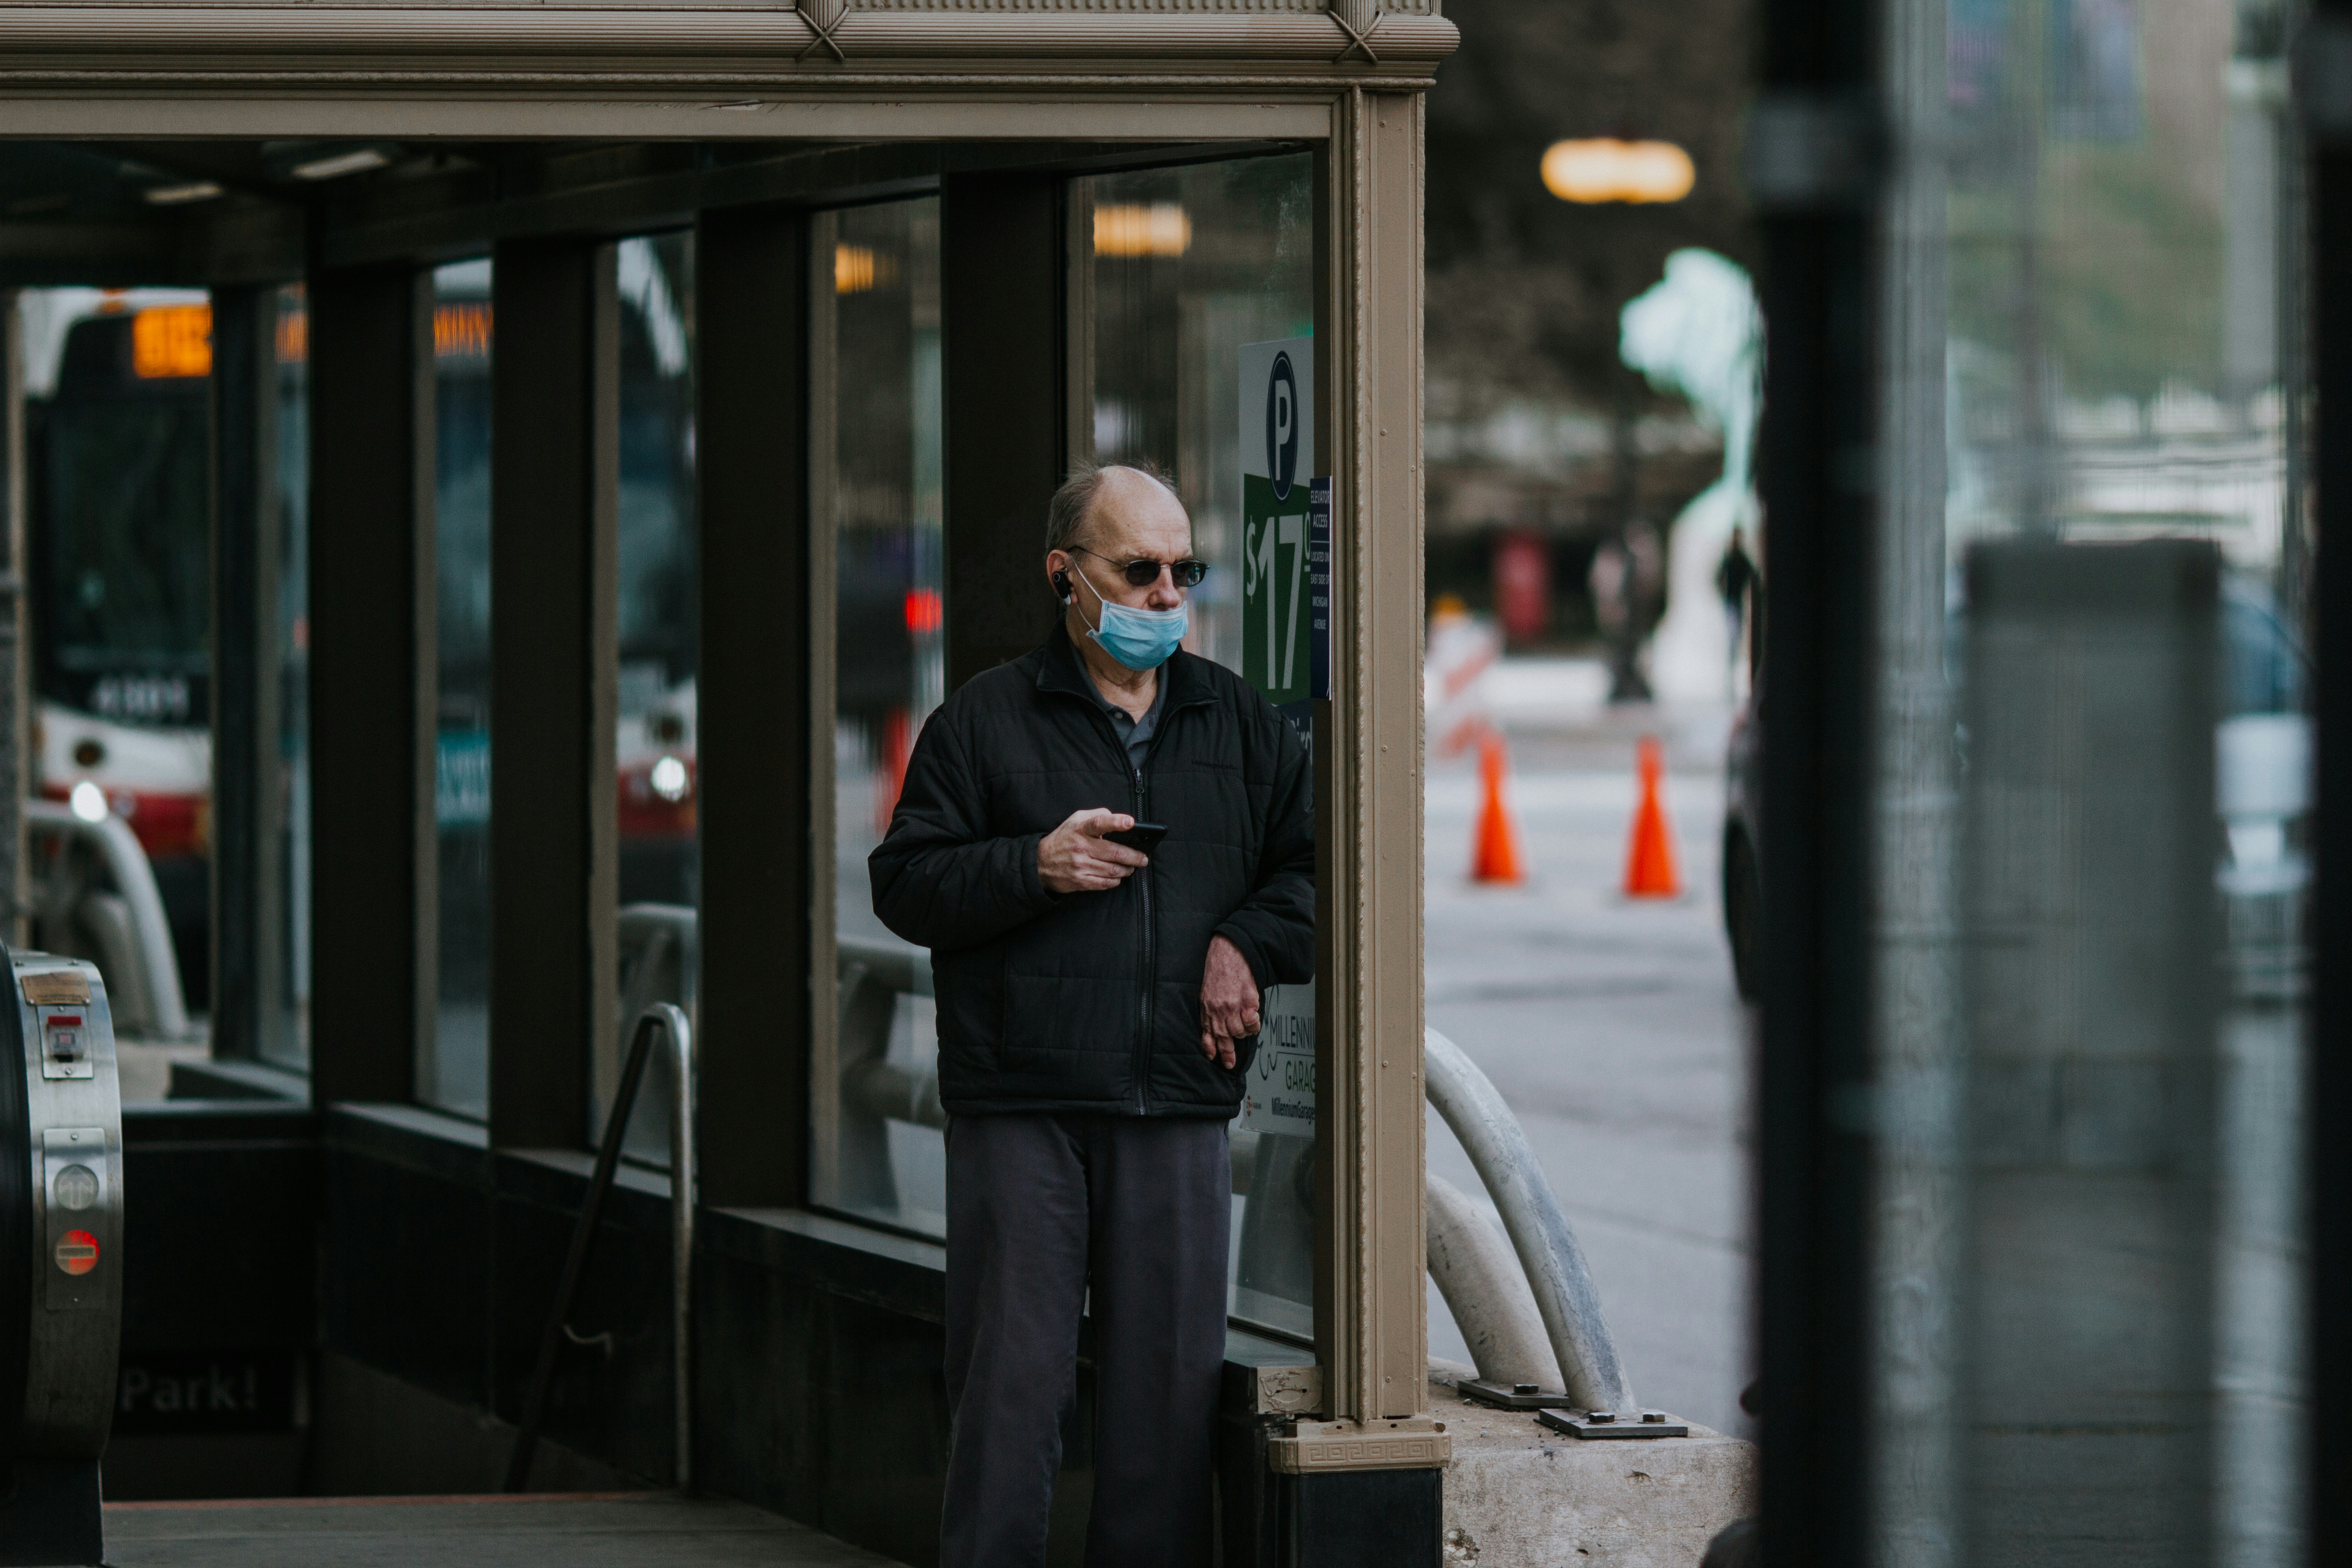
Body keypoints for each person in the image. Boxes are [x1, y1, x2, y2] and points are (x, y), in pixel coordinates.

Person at [869, 461, 1315, 1568]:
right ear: (1066, 576)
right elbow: (905, 882)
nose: (1167, 594)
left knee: (1165, 1407)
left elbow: (1312, 878)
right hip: (1022, 1102)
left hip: (1176, 1102)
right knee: (1009, 1391)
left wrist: (1242, 941)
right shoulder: (982, 718)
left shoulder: (1241, 723)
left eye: (1182, 570)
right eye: (1138, 570)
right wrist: (1033, 862)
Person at [1715, 525, 1757, 675]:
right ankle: (1731, 661)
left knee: (1736, 632)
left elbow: (1751, 575)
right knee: (1734, 631)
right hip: (1732, 600)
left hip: (1736, 600)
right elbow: (1719, 577)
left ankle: (1732, 660)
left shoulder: (1739, 556)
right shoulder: (1732, 557)